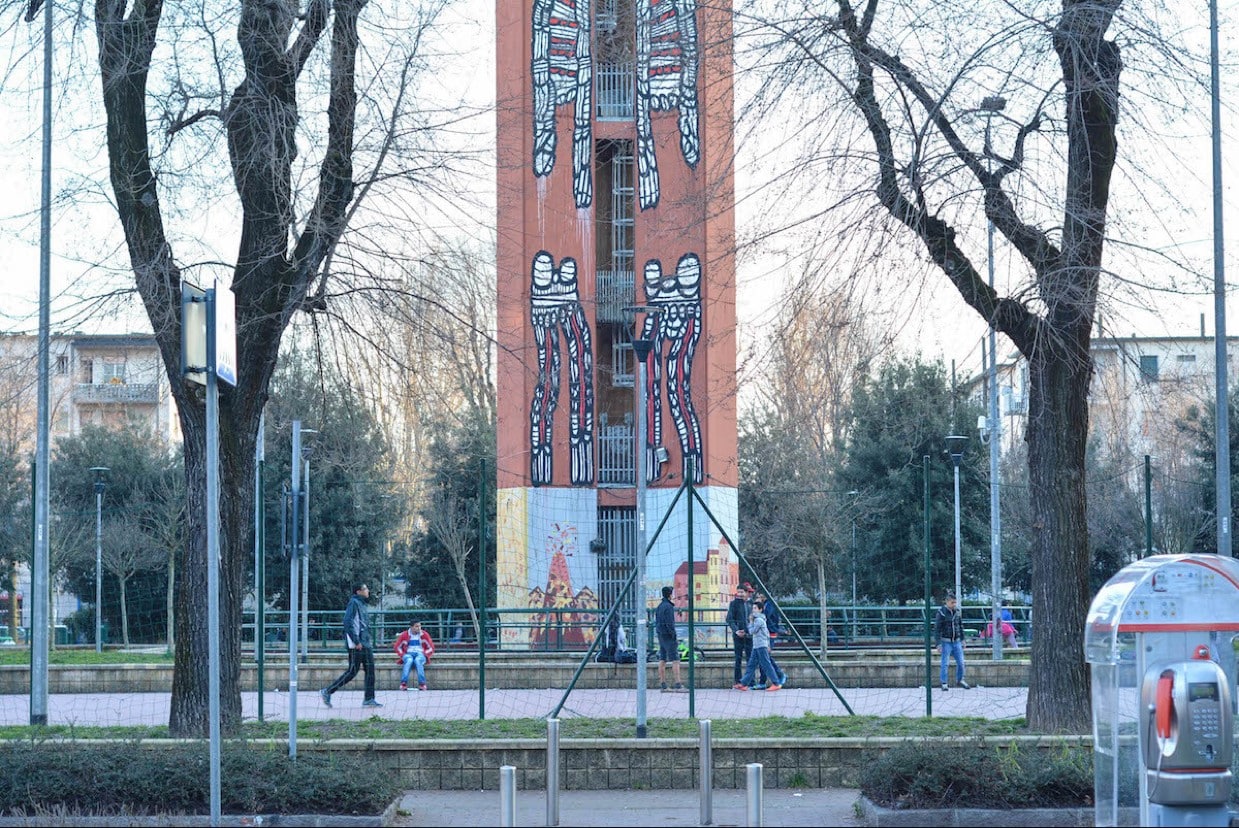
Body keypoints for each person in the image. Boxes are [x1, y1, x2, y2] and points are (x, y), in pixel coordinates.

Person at [320, 583, 382, 708]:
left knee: (370, 670)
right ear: (358, 591)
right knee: (352, 671)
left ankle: (369, 699)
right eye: (365, 589)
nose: (368, 590)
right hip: (357, 644)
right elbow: (348, 622)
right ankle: (328, 691)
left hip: (365, 643)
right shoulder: (353, 603)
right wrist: (356, 641)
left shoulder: (362, 603)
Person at [734, 598, 781, 691]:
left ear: (760, 609)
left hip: (761, 646)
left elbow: (752, 631)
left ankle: (776, 683)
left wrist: (750, 622)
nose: (753, 610)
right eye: (753, 608)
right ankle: (744, 683)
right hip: (757, 646)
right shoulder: (758, 620)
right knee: (751, 665)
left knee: (766, 664)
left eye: (755, 608)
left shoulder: (758, 620)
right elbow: (764, 633)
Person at [935, 592, 970, 691]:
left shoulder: (957, 612)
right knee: (945, 663)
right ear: (947, 602)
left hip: (957, 641)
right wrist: (938, 644)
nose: (954, 604)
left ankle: (960, 680)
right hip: (946, 642)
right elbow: (937, 629)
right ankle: (944, 682)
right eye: (952, 602)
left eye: (955, 602)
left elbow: (960, 626)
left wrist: (963, 639)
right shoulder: (941, 613)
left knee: (961, 662)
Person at [753, 590, 787, 688]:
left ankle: (779, 675)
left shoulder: (769, 605)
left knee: (765, 657)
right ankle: (763, 681)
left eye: (760, 596)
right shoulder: (765, 604)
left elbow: (766, 616)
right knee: (763, 657)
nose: (759, 598)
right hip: (764, 634)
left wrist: (759, 606)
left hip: (769, 633)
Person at [654, 585, 684, 691]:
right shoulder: (669, 607)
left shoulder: (660, 606)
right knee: (675, 659)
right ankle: (678, 684)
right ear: (670, 595)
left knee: (662, 659)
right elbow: (670, 623)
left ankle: (663, 684)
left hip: (661, 635)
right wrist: (673, 635)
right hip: (669, 636)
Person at [394, 620, 435, 691]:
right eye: (416, 626)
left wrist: (425, 654)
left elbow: (431, 648)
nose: (419, 628)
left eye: (420, 626)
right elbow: (397, 647)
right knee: (409, 660)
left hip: (420, 653)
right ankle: (403, 683)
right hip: (408, 654)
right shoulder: (404, 635)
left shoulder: (424, 635)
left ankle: (422, 684)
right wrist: (403, 655)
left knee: (418, 660)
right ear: (411, 627)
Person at [726, 585, 752, 686]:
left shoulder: (751, 603)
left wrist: (749, 630)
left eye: (742, 592)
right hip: (738, 635)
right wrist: (736, 630)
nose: (740, 594)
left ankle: (750, 681)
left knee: (750, 659)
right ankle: (738, 681)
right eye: (738, 592)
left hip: (749, 635)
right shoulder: (733, 604)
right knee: (738, 659)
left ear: (746, 593)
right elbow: (730, 619)